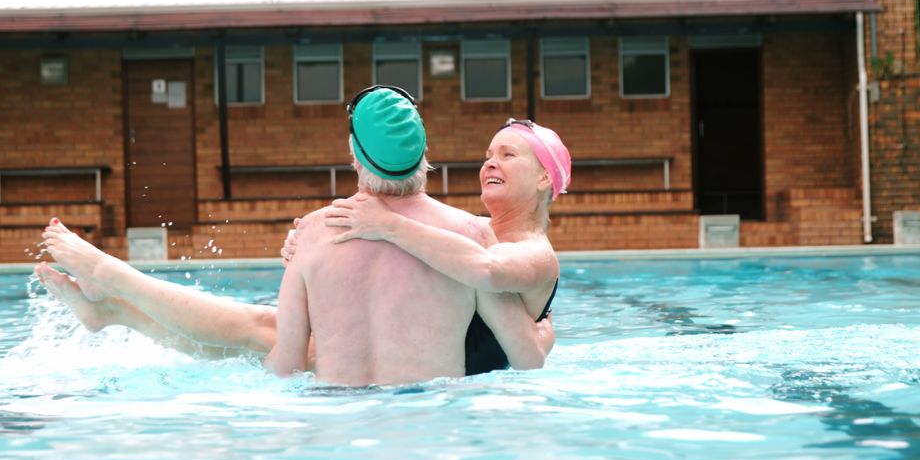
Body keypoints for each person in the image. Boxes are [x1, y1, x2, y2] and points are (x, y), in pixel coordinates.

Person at [38, 86, 550, 385]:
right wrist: (543, 332)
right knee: (254, 330)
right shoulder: (468, 237)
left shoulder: (313, 233)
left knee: (259, 334)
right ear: (424, 156)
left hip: (332, 420)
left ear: (354, 155)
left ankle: (117, 295)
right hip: (435, 420)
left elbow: (284, 367)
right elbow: (524, 358)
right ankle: (114, 304)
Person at [316, 117, 571, 374]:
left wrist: (388, 225)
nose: (490, 163)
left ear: (543, 178)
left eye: (508, 155)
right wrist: (314, 242)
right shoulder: (466, 235)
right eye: (489, 156)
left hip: (452, 397)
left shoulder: (538, 254)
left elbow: (486, 268)